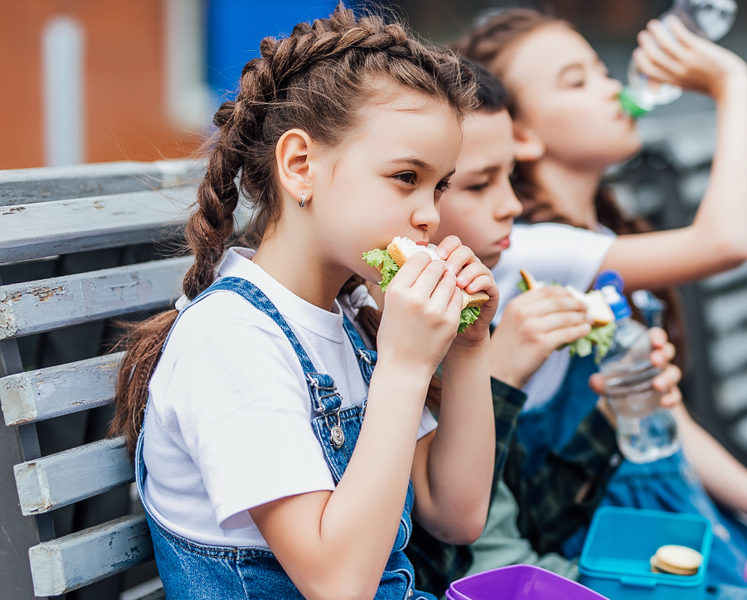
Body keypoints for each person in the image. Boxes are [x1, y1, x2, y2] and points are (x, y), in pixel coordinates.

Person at [455, 7, 747, 592]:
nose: (613, 86)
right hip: (612, 536)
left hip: (656, 512)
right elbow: (728, 241)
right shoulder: (529, 254)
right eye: (576, 81)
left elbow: (664, 416)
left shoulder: (592, 240)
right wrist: (730, 85)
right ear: (519, 132)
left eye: (600, 71)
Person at [109, 9, 498, 599]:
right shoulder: (230, 339)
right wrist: (406, 365)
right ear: (300, 166)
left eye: (439, 185)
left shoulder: (351, 320)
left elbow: (456, 513)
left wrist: (467, 348)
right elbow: (338, 586)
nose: (430, 214)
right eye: (404, 177)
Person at [404, 58, 683, 597]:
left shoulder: (468, 313)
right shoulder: (406, 337)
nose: (511, 205)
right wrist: (496, 374)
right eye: (478, 184)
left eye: (510, 177)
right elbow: (445, 558)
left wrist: (608, 417)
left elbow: (524, 527)